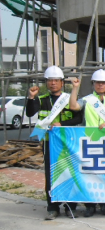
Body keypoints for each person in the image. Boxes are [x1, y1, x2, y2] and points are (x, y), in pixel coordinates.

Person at [26, 66, 83, 220]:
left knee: (70, 173)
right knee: (51, 175)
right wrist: (31, 97)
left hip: (67, 142)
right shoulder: (42, 99)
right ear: (46, 82)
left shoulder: (69, 98)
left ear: (62, 83)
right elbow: (30, 113)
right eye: (50, 80)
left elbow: (79, 118)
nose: (53, 83)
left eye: (56, 80)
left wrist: (61, 124)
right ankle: (52, 207)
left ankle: (70, 206)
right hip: (49, 143)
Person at [69, 69, 105, 217]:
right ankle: (90, 206)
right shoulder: (87, 100)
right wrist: (75, 88)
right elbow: (73, 106)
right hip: (88, 142)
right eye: (98, 82)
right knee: (88, 174)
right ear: (93, 84)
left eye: (103, 83)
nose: (100, 85)